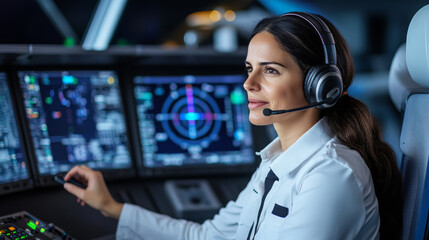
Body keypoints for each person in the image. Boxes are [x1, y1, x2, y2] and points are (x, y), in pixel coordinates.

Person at [63, 12, 402, 240]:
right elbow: (209, 236)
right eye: (248, 68)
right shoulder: (276, 163)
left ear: (319, 85)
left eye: (270, 70)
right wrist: (111, 207)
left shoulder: (331, 175)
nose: (248, 84)